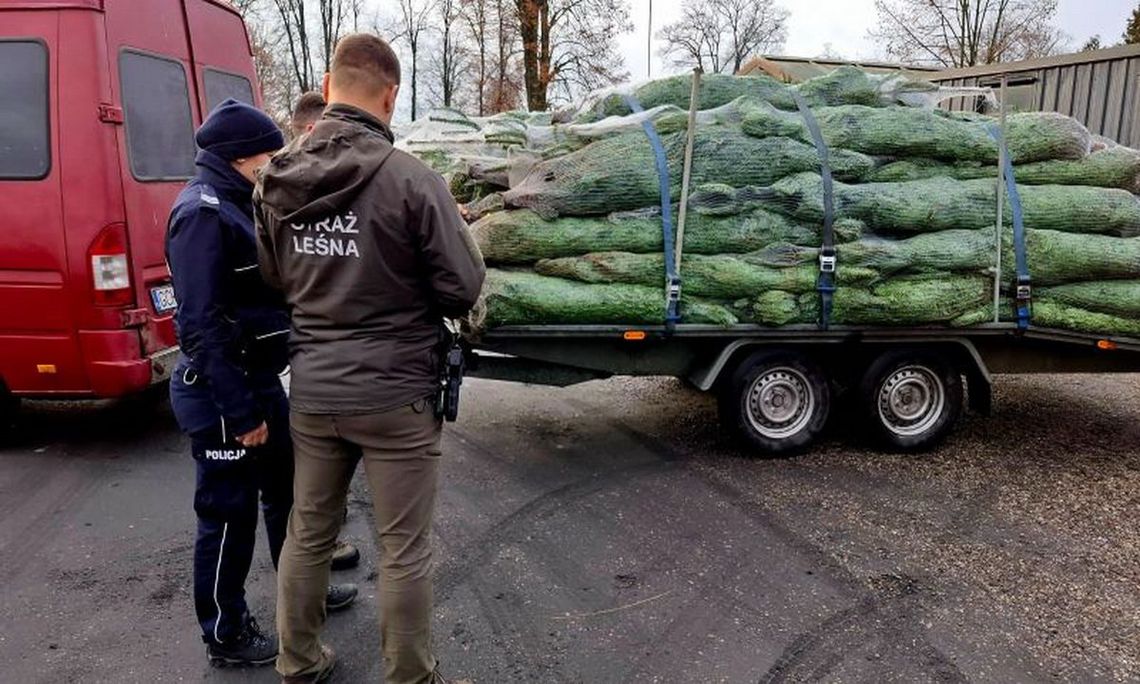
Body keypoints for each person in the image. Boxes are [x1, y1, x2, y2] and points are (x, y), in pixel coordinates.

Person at [255, 34, 485, 684]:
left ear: (329, 90)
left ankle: (297, 661)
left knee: (309, 533)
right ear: (390, 96)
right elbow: (463, 287)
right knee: (404, 550)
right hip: (397, 397)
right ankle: (409, 675)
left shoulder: (275, 178)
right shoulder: (412, 181)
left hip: (316, 390)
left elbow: (274, 278)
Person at [166, 99, 359, 669]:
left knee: (288, 495)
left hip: (261, 381)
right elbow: (200, 325)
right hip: (226, 394)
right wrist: (241, 411)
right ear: (241, 157)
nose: (275, 163)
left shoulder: (237, 201)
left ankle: (305, 591)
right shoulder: (202, 214)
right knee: (229, 515)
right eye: (270, 155)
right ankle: (225, 633)